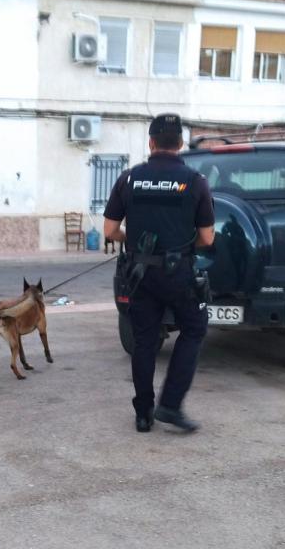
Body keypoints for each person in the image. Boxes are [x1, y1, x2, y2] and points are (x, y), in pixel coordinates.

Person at [103, 113, 215, 434]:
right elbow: (207, 239)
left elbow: (110, 230)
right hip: (178, 272)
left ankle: (143, 413)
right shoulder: (195, 182)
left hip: (140, 273)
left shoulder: (128, 179)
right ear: (179, 144)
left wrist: (135, 243)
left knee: (144, 341)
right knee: (193, 329)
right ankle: (171, 405)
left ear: (151, 142)